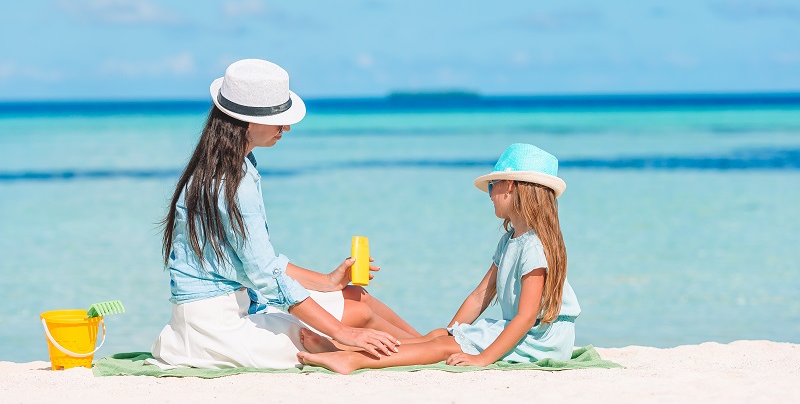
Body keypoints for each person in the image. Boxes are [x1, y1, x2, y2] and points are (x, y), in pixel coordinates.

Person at [150, 59, 420, 370]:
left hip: (214, 318)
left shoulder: (226, 167)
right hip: (219, 333)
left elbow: (256, 262)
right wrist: (343, 333)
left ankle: (434, 346)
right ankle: (435, 349)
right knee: (355, 315)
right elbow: (265, 273)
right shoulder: (232, 183)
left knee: (354, 296)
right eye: (280, 119)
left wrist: (328, 282)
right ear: (248, 121)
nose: (287, 127)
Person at [297, 143, 581, 374]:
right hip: (524, 331)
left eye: (493, 184)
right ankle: (350, 350)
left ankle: (354, 360)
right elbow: (480, 295)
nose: (490, 194)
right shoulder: (509, 241)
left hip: (540, 340)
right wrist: (451, 331)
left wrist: (483, 359)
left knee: (446, 348)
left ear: (510, 186)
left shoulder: (534, 247)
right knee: (439, 336)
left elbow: (526, 316)